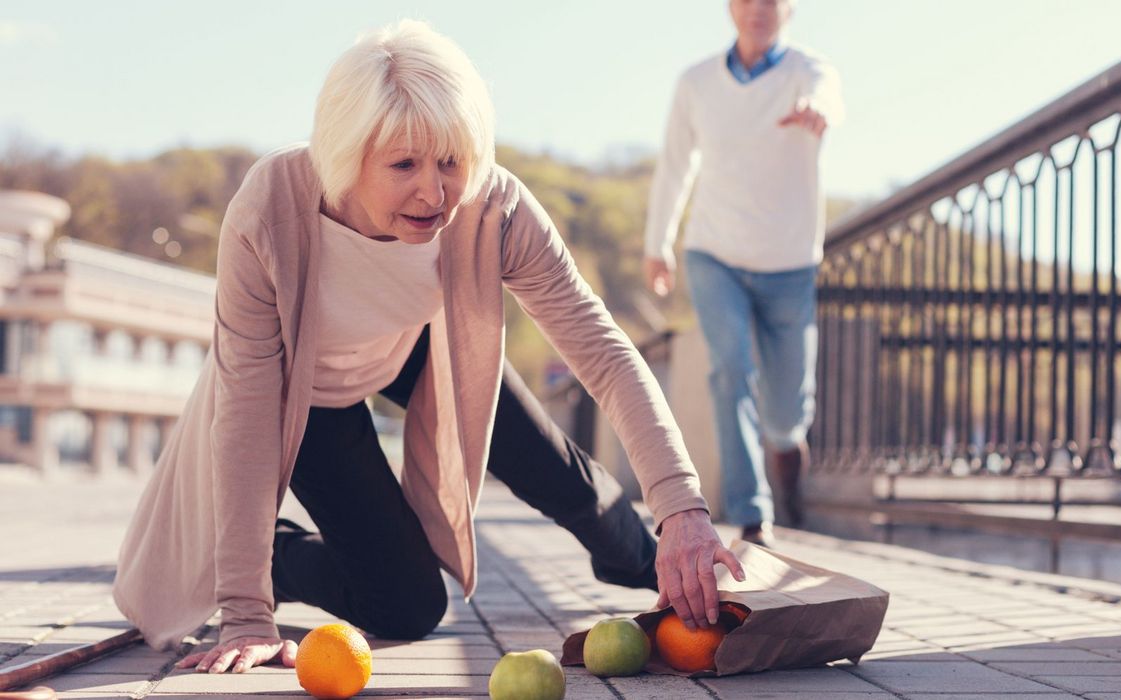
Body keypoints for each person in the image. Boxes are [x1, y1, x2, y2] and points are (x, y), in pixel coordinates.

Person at [113, 19, 743, 675]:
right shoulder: (270, 208)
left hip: (415, 346)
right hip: (305, 388)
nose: (435, 193)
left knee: (573, 487)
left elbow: (605, 356)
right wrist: (246, 610)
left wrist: (681, 511)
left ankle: (668, 571)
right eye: (404, 165)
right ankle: (271, 553)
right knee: (407, 606)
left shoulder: (494, 206)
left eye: (450, 161)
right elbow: (246, 410)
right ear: (347, 154)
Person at [643, 0, 844, 546]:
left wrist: (817, 110)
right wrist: (658, 244)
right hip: (715, 253)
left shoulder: (809, 71)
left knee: (785, 414)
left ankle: (788, 455)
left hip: (789, 261)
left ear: (789, 10)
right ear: (732, 7)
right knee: (730, 370)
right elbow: (675, 164)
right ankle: (753, 515)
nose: (759, 9)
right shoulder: (696, 82)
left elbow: (828, 98)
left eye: (771, 1)